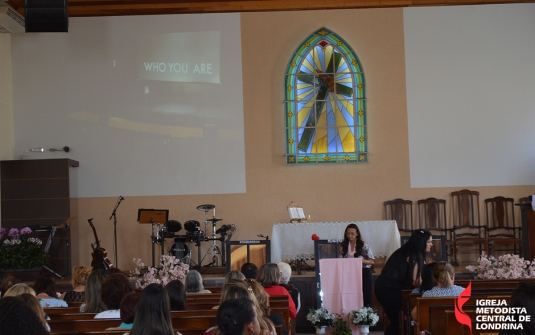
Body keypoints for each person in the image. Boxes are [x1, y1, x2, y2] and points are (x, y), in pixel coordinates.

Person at [374, 229, 433, 335]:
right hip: (389, 289)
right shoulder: (414, 255)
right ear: (421, 242)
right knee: (397, 321)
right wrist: (433, 283)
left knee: (397, 320)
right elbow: (416, 281)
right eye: (428, 242)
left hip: (384, 287)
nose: (431, 244)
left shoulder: (406, 251)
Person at [339, 223, 375, 307]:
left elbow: (372, 261)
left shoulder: (363, 245)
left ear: (357, 234)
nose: (350, 235)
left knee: (366, 295)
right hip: (349, 273)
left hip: (364, 271)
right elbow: (340, 260)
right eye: (348, 233)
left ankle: (366, 316)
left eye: (352, 233)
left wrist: (361, 261)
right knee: (351, 296)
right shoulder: (342, 246)